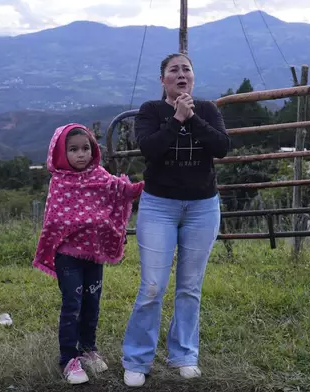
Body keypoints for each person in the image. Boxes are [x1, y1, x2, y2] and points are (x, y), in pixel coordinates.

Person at [121, 53, 231, 387]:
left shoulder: (209, 109)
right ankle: (137, 359)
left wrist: (191, 117)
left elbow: (222, 147)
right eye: (173, 70)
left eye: (186, 69)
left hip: (202, 207)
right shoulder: (151, 111)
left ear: (193, 77)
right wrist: (176, 118)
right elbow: (150, 149)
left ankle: (184, 353)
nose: (180, 74)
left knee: (189, 286)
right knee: (153, 286)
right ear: (163, 80)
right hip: (159, 207)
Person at [32, 123, 144, 385]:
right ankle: (68, 359)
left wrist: (144, 187)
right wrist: (82, 223)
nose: (81, 154)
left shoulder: (100, 175)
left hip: (94, 257)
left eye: (86, 148)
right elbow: (55, 221)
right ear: (61, 153)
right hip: (68, 257)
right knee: (73, 305)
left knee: (92, 304)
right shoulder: (60, 182)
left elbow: (120, 190)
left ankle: (88, 349)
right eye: (73, 149)